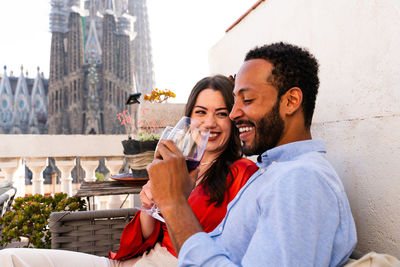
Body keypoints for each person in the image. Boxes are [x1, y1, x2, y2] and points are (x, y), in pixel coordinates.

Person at [0, 75, 258, 267]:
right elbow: (146, 235)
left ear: (233, 120)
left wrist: (174, 203)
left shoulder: (243, 174)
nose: (209, 122)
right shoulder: (176, 166)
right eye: (200, 112)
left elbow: (232, 248)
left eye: (221, 113)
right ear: (189, 119)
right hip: (135, 262)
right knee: (9, 258)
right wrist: (148, 206)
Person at [148, 42, 358, 266]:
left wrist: (174, 202)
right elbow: (196, 255)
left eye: (247, 100)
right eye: (235, 100)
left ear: (291, 101)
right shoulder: (273, 171)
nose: (233, 114)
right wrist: (174, 200)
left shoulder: (301, 179)